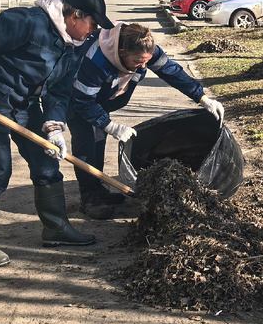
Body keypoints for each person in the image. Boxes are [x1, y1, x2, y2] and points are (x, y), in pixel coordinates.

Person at [0, 0, 111, 267]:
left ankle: (56, 228)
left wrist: (54, 126)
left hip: (24, 103)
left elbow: (59, 90)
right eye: (92, 23)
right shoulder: (29, 21)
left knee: (46, 161)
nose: (94, 31)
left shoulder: (75, 46)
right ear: (75, 16)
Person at [68, 21, 225, 218]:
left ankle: (97, 189)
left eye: (146, 61)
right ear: (122, 53)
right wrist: (110, 125)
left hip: (100, 98)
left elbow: (171, 71)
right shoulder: (96, 60)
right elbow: (82, 101)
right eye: (138, 62)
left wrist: (201, 97)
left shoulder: (144, 48)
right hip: (73, 97)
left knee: (98, 140)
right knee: (86, 142)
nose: (143, 66)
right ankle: (89, 197)